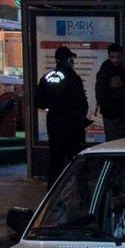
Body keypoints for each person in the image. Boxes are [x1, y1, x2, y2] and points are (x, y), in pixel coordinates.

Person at [35, 46, 89, 189]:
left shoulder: (46, 78)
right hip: (72, 126)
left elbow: (38, 102)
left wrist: (53, 106)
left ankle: (52, 193)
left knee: (55, 161)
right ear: (68, 59)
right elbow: (82, 103)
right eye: (71, 59)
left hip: (54, 125)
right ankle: (83, 194)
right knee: (77, 161)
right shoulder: (73, 78)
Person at [95, 43, 125, 142]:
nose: (115, 60)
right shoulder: (105, 72)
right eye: (113, 57)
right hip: (113, 115)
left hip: (120, 114)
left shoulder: (121, 71)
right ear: (109, 56)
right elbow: (101, 95)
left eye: (118, 57)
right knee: (114, 143)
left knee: (119, 143)